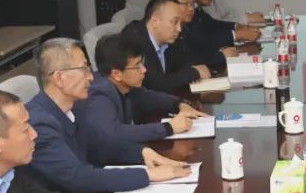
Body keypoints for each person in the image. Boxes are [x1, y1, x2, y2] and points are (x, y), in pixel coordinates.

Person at [24, 38, 191, 193]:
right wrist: (148, 175)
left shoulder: (71, 108)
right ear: (60, 78)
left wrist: (142, 153)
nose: (91, 77)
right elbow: (78, 177)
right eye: (83, 69)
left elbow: (97, 146)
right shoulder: (39, 125)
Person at [76, 34, 207, 145]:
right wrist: (169, 127)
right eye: (137, 66)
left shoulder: (124, 85)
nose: (144, 70)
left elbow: (149, 97)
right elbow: (116, 133)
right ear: (117, 74)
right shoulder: (99, 94)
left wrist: (180, 104)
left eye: (142, 63)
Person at [121, 0, 211, 93]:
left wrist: (191, 72)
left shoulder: (168, 38)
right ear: (155, 20)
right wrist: (194, 73)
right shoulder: (134, 40)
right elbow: (156, 85)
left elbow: (183, 63)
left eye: (180, 23)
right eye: (174, 22)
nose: (179, 29)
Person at [159, 0, 235, 75]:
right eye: (185, 4)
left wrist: (221, 52)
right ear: (168, 5)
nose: (191, 9)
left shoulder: (187, 26)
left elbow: (198, 50)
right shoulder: (165, 31)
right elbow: (183, 62)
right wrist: (220, 56)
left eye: (192, 4)